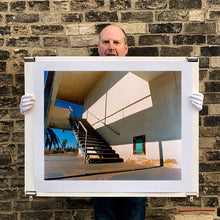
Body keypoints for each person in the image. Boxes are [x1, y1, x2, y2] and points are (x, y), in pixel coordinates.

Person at [20, 25, 204, 220]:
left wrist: (190, 108)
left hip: (136, 190)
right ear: (98, 47)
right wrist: (32, 112)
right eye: (105, 42)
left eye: (116, 42)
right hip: (102, 188)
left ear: (125, 48)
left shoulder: (144, 68)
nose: (111, 47)